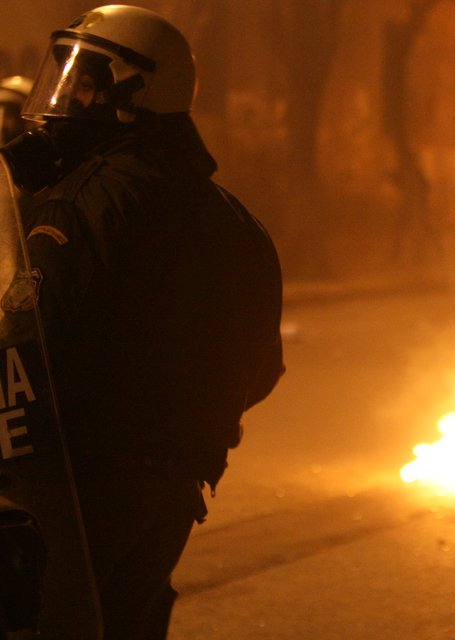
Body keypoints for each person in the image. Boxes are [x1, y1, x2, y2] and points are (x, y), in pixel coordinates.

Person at [0, 5, 284, 638]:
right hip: (174, 494)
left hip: (75, 489)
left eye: (85, 79)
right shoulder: (235, 220)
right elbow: (261, 370)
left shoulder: (83, 204)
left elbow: (28, 351)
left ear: (136, 93)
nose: (66, 94)